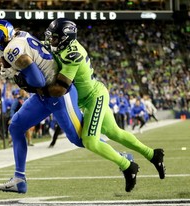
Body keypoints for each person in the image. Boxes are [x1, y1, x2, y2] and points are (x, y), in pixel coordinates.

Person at [0, 19, 133, 194]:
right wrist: (11, 67)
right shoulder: (19, 37)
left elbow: (36, 80)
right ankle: (19, 179)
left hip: (59, 94)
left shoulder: (12, 50)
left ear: (2, 39)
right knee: (16, 126)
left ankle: (123, 158)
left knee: (80, 139)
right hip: (44, 95)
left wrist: (15, 76)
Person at [42, 18, 165, 192]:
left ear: (66, 39)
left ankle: (128, 166)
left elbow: (61, 88)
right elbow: (35, 46)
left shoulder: (73, 53)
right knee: (115, 133)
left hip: (93, 97)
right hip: (85, 99)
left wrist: (37, 89)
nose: (50, 41)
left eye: (54, 38)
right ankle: (153, 155)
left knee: (90, 141)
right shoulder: (60, 46)